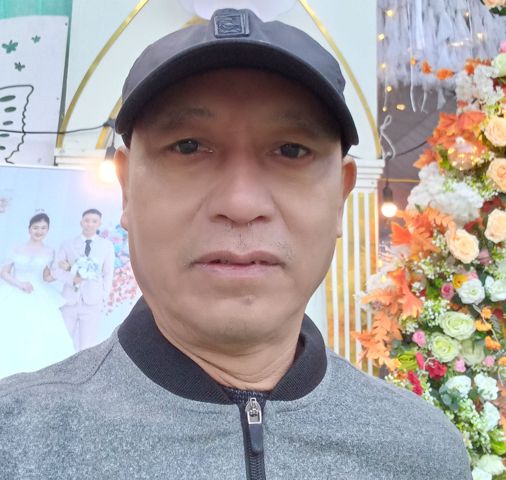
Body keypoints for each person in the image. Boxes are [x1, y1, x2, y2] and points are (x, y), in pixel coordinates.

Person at [0, 9, 471, 479]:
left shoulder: (422, 453)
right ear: (126, 189)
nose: (240, 203)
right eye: (188, 146)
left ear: (341, 197)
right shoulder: (19, 443)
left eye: (291, 150)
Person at [0, 212, 74, 378]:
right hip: (15, 290)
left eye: (43, 228)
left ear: (48, 230)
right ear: (29, 229)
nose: (39, 231)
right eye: (36, 227)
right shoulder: (16, 248)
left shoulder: (50, 251)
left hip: (39, 293)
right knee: (11, 328)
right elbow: (4, 272)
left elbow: (47, 277)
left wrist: (64, 270)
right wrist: (20, 284)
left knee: (37, 331)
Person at [54, 208, 115, 351]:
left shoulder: (106, 246)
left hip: (92, 301)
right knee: (63, 340)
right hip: (69, 299)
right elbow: (56, 270)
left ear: (99, 224)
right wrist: (72, 279)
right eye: (87, 220)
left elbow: (107, 273)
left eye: (94, 221)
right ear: (81, 222)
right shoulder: (67, 244)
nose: (90, 224)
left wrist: (104, 296)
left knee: (87, 345)